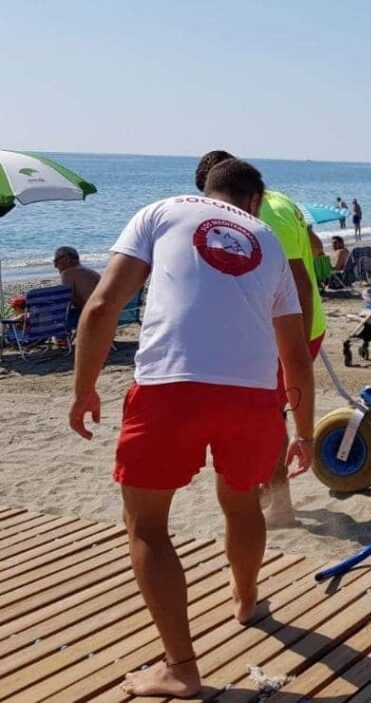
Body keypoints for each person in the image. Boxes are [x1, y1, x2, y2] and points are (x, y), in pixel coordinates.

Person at [68, 159, 314, 698]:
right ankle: (246, 599)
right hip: (252, 395)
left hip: (168, 387)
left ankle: (180, 666)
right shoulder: (269, 239)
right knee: (243, 504)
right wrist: (306, 431)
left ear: (206, 191)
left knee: (148, 527)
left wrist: (84, 387)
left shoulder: (159, 212)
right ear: (253, 201)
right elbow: (295, 354)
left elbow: (102, 307)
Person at [194, 150, 326, 528]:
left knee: (269, 415)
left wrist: (293, 349)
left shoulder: (264, 217)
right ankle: (269, 489)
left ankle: (281, 505)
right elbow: (315, 246)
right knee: (267, 410)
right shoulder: (281, 201)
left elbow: (298, 278)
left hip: (292, 331)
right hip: (293, 326)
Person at [53, 246, 102, 327]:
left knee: (54, 317)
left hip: (91, 315)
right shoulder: (90, 271)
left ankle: (60, 339)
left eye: (56, 260)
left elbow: (67, 303)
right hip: (104, 313)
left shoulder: (68, 273)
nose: (55, 265)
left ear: (66, 258)